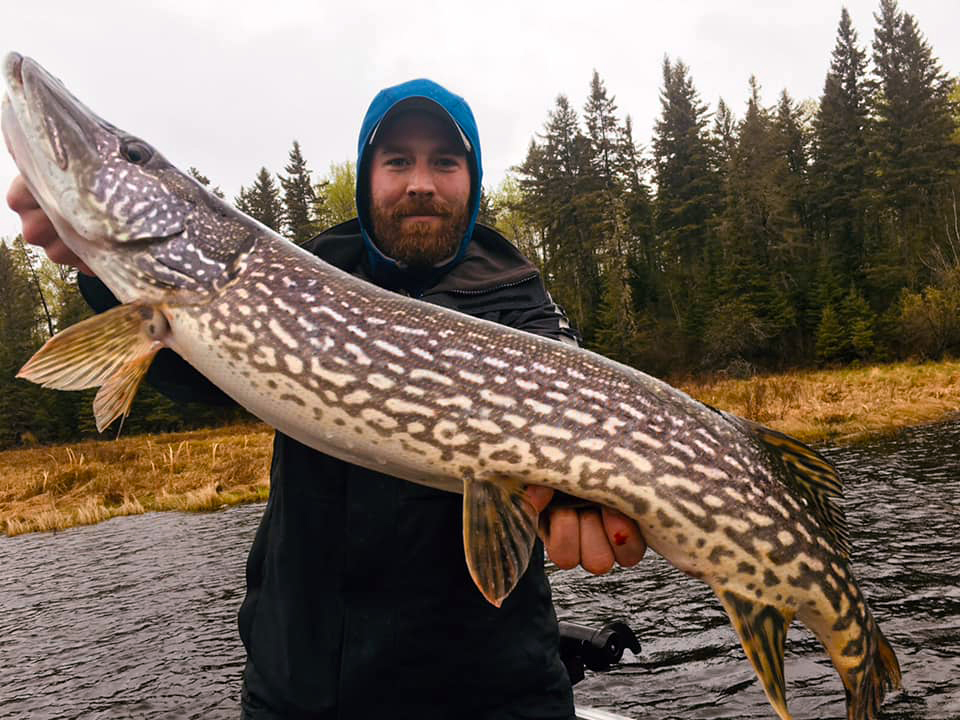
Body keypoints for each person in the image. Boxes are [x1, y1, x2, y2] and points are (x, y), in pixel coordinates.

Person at [8, 78, 647, 719]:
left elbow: (581, 474)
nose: (420, 182)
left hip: (500, 694)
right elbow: (191, 375)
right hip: (305, 692)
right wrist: (100, 274)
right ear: (368, 179)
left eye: (444, 162)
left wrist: (579, 508)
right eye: (397, 160)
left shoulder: (525, 307)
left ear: (472, 181)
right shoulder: (301, 277)